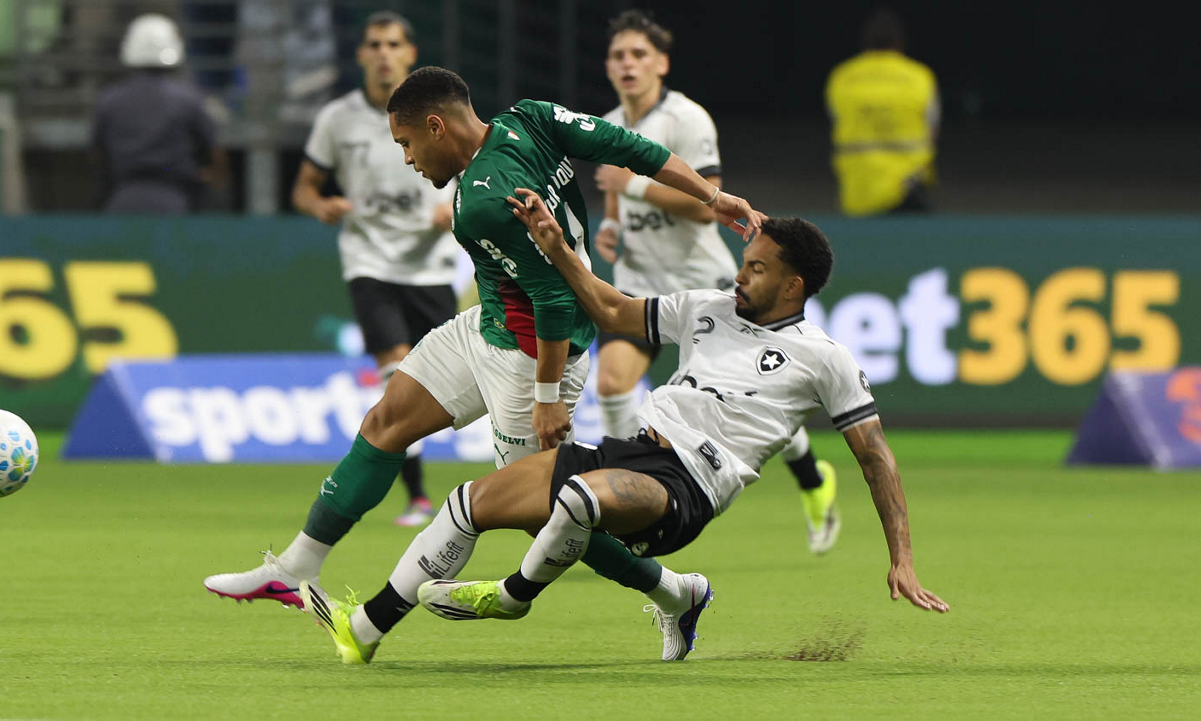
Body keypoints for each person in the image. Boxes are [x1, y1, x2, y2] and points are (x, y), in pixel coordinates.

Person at [205, 67, 765, 659]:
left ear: (436, 126)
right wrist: (710, 192)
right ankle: (295, 569)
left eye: (406, 144)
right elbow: (630, 148)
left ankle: (676, 592)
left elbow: (552, 297)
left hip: (532, 356)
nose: (408, 160)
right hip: (488, 325)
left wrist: (547, 397)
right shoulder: (532, 118)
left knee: (541, 512)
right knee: (385, 423)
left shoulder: (480, 204)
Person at [299, 206, 948, 665]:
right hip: (633, 450)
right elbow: (611, 308)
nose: (738, 275)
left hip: (689, 487)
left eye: (754, 268)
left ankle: (510, 597)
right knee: (467, 503)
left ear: (793, 284)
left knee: (579, 498)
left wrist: (903, 556)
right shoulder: (710, 309)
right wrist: (556, 249)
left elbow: (876, 457)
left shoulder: (825, 357)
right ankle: (364, 630)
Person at [594, 10, 840, 553]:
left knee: (745, 400)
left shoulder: (688, 118)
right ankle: (625, 489)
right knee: (611, 382)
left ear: (661, 63)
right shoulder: (610, 120)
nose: (628, 64)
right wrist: (612, 222)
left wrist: (631, 190)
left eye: (638, 55)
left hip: (703, 287)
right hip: (640, 283)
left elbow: (708, 205)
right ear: (608, 66)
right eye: (618, 55)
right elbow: (614, 187)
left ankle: (814, 482)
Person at [291, 11, 459, 527]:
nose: (383, 53)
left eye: (393, 44)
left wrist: (453, 208)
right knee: (395, 372)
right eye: (373, 44)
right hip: (370, 262)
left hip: (432, 266)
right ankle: (418, 495)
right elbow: (303, 188)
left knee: (438, 384)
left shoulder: (438, 111)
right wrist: (320, 206)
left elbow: (476, 167)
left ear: (410, 53)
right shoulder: (337, 119)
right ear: (361, 54)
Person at [92, 14, 224, 213]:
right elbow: (211, 150)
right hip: (174, 198)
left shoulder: (109, 100)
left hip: (123, 197)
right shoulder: (189, 99)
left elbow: (97, 154)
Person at [825, 7, 940, 216]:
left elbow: (837, 124)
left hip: (857, 193)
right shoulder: (920, 76)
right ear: (900, 44)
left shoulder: (842, 77)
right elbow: (932, 131)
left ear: (865, 44)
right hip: (908, 194)